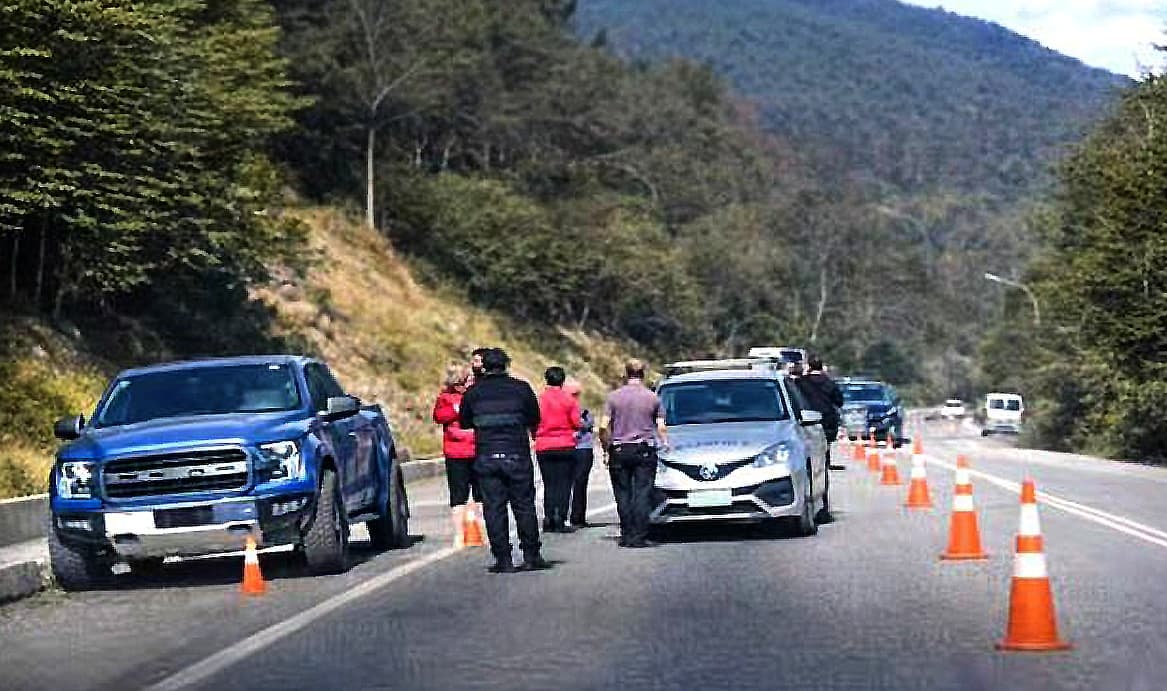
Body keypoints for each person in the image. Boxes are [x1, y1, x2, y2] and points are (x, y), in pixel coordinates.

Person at [459, 348, 551, 573]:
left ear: (484, 367)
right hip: (516, 454)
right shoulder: (521, 388)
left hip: (487, 455)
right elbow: (534, 418)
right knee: (524, 506)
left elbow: (464, 422)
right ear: (506, 365)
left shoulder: (473, 392)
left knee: (494, 508)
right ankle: (531, 555)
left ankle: (503, 558)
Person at [599, 358, 669, 548]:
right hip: (644, 449)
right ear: (643, 374)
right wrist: (665, 443)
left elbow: (603, 426)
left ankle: (627, 533)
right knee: (642, 492)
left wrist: (607, 448)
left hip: (620, 449)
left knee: (622, 493)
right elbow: (661, 426)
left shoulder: (613, 397)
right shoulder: (653, 398)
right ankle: (639, 535)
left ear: (626, 373)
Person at [534, 366, 582, 533]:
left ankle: (548, 517)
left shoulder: (539, 399)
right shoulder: (568, 399)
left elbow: (532, 421)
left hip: (544, 445)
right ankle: (560, 517)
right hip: (564, 444)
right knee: (563, 483)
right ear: (562, 381)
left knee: (549, 483)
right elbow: (577, 423)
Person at [796, 355, 844, 522]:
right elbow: (840, 401)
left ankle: (813, 504)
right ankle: (822, 507)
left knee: (811, 465)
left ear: (809, 366)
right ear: (822, 367)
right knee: (822, 465)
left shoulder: (801, 383)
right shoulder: (829, 383)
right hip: (826, 426)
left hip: (806, 426)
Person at [431, 365, 478, 537]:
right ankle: (460, 532)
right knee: (458, 494)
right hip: (456, 451)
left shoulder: (476, 395)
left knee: (481, 493)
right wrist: (457, 410)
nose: (469, 383)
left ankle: (481, 529)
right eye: (466, 380)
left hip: (476, 448)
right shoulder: (445, 398)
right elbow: (439, 417)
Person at [565, 379, 595, 529]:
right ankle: (572, 516)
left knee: (578, 483)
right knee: (576, 484)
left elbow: (588, 424)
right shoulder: (576, 409)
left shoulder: (582, 410)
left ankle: (576, 516)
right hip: (574, 448)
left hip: (580, 448)